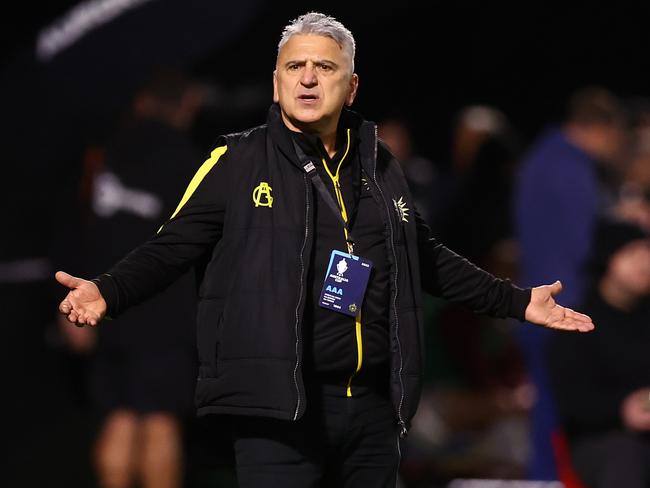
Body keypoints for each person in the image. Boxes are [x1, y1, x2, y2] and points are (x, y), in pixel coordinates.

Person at [55, 12, 594, 488]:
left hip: (373, 408)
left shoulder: (381, 166)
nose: (308, 77)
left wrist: (517, 302)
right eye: (294, 67)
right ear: (275, 83)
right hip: (280, 411)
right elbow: (171, 246)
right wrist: (108, 290)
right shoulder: (236, 163)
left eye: (324, 67)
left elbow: (424, 257)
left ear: (351, 86)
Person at [513, 85, 627, 479]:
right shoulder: (573, 168)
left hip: (533, 301)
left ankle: (544, 478)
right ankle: (551, 480)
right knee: (560, 411)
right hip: (566, 309)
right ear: (600, 128)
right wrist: (623, 223)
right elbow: (585, 244)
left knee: (546, 406)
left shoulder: (537, 159)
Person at [548, 218, 650, 488]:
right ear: (608, 259)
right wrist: (621, 409)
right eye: (633, 253)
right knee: (625, 455)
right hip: (600, 440)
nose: (645, 263)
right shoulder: (579, 322)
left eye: (647, 253)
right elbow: (572, 402)